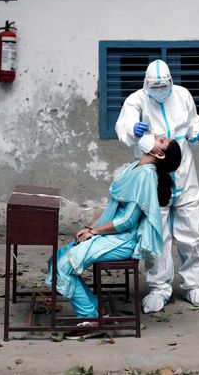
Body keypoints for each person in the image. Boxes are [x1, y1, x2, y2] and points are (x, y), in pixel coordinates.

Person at [46, 135, 182, 339]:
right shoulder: (136, 166)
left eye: (162, 141)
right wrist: (90, 227)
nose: (158, 136)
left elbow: (127, 221)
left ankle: (90, 319)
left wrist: (94, 232)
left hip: (124, 240)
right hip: (111, 233)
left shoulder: (146, 175)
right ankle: (96, 312)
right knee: (58, 258)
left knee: (64, 265)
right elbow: (114, 206)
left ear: (158, 153)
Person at [115, 59, 199, 313]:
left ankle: (193, 285)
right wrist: (133, 130)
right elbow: (123, 126)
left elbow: (192, 123)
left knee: (191, 227)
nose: (160, 90)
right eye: (155, 86)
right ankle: (159, 288)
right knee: (157, 231)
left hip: (183, 167)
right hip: (153, 171)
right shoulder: (136, 100)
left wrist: (198, 132)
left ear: (171, 82)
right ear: (146, 84)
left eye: (164, 85)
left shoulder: (182, 95)